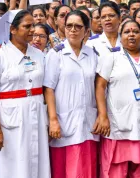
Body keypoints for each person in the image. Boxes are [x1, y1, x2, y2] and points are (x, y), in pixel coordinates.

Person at [0, 10, 51, 178]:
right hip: (9, 118)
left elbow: (46, 88)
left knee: (35, 159)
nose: (32, 30)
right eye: (27, 26)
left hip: (36, 114)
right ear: (12, 30)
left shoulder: (39, 55)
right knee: (11, 163)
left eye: (33, 26)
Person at [96, 20, 140, 178]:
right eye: (127, 32)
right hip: (119, 123)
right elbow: (100, 86)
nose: (131, 35)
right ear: (120, 37)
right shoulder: (112, 57)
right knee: (116, 171)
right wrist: (103, 115)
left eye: (135, 31)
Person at [44, 10, 99, 178]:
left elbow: (98, 87)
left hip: (88, 122)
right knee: (63, 170)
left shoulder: (94, 54)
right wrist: (53, 120)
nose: (73, 30)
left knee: (86, 169)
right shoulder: (56, 54)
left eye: (78, 26)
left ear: (86, 31)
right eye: (69, 26)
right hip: (63, 123)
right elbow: (48, 89)